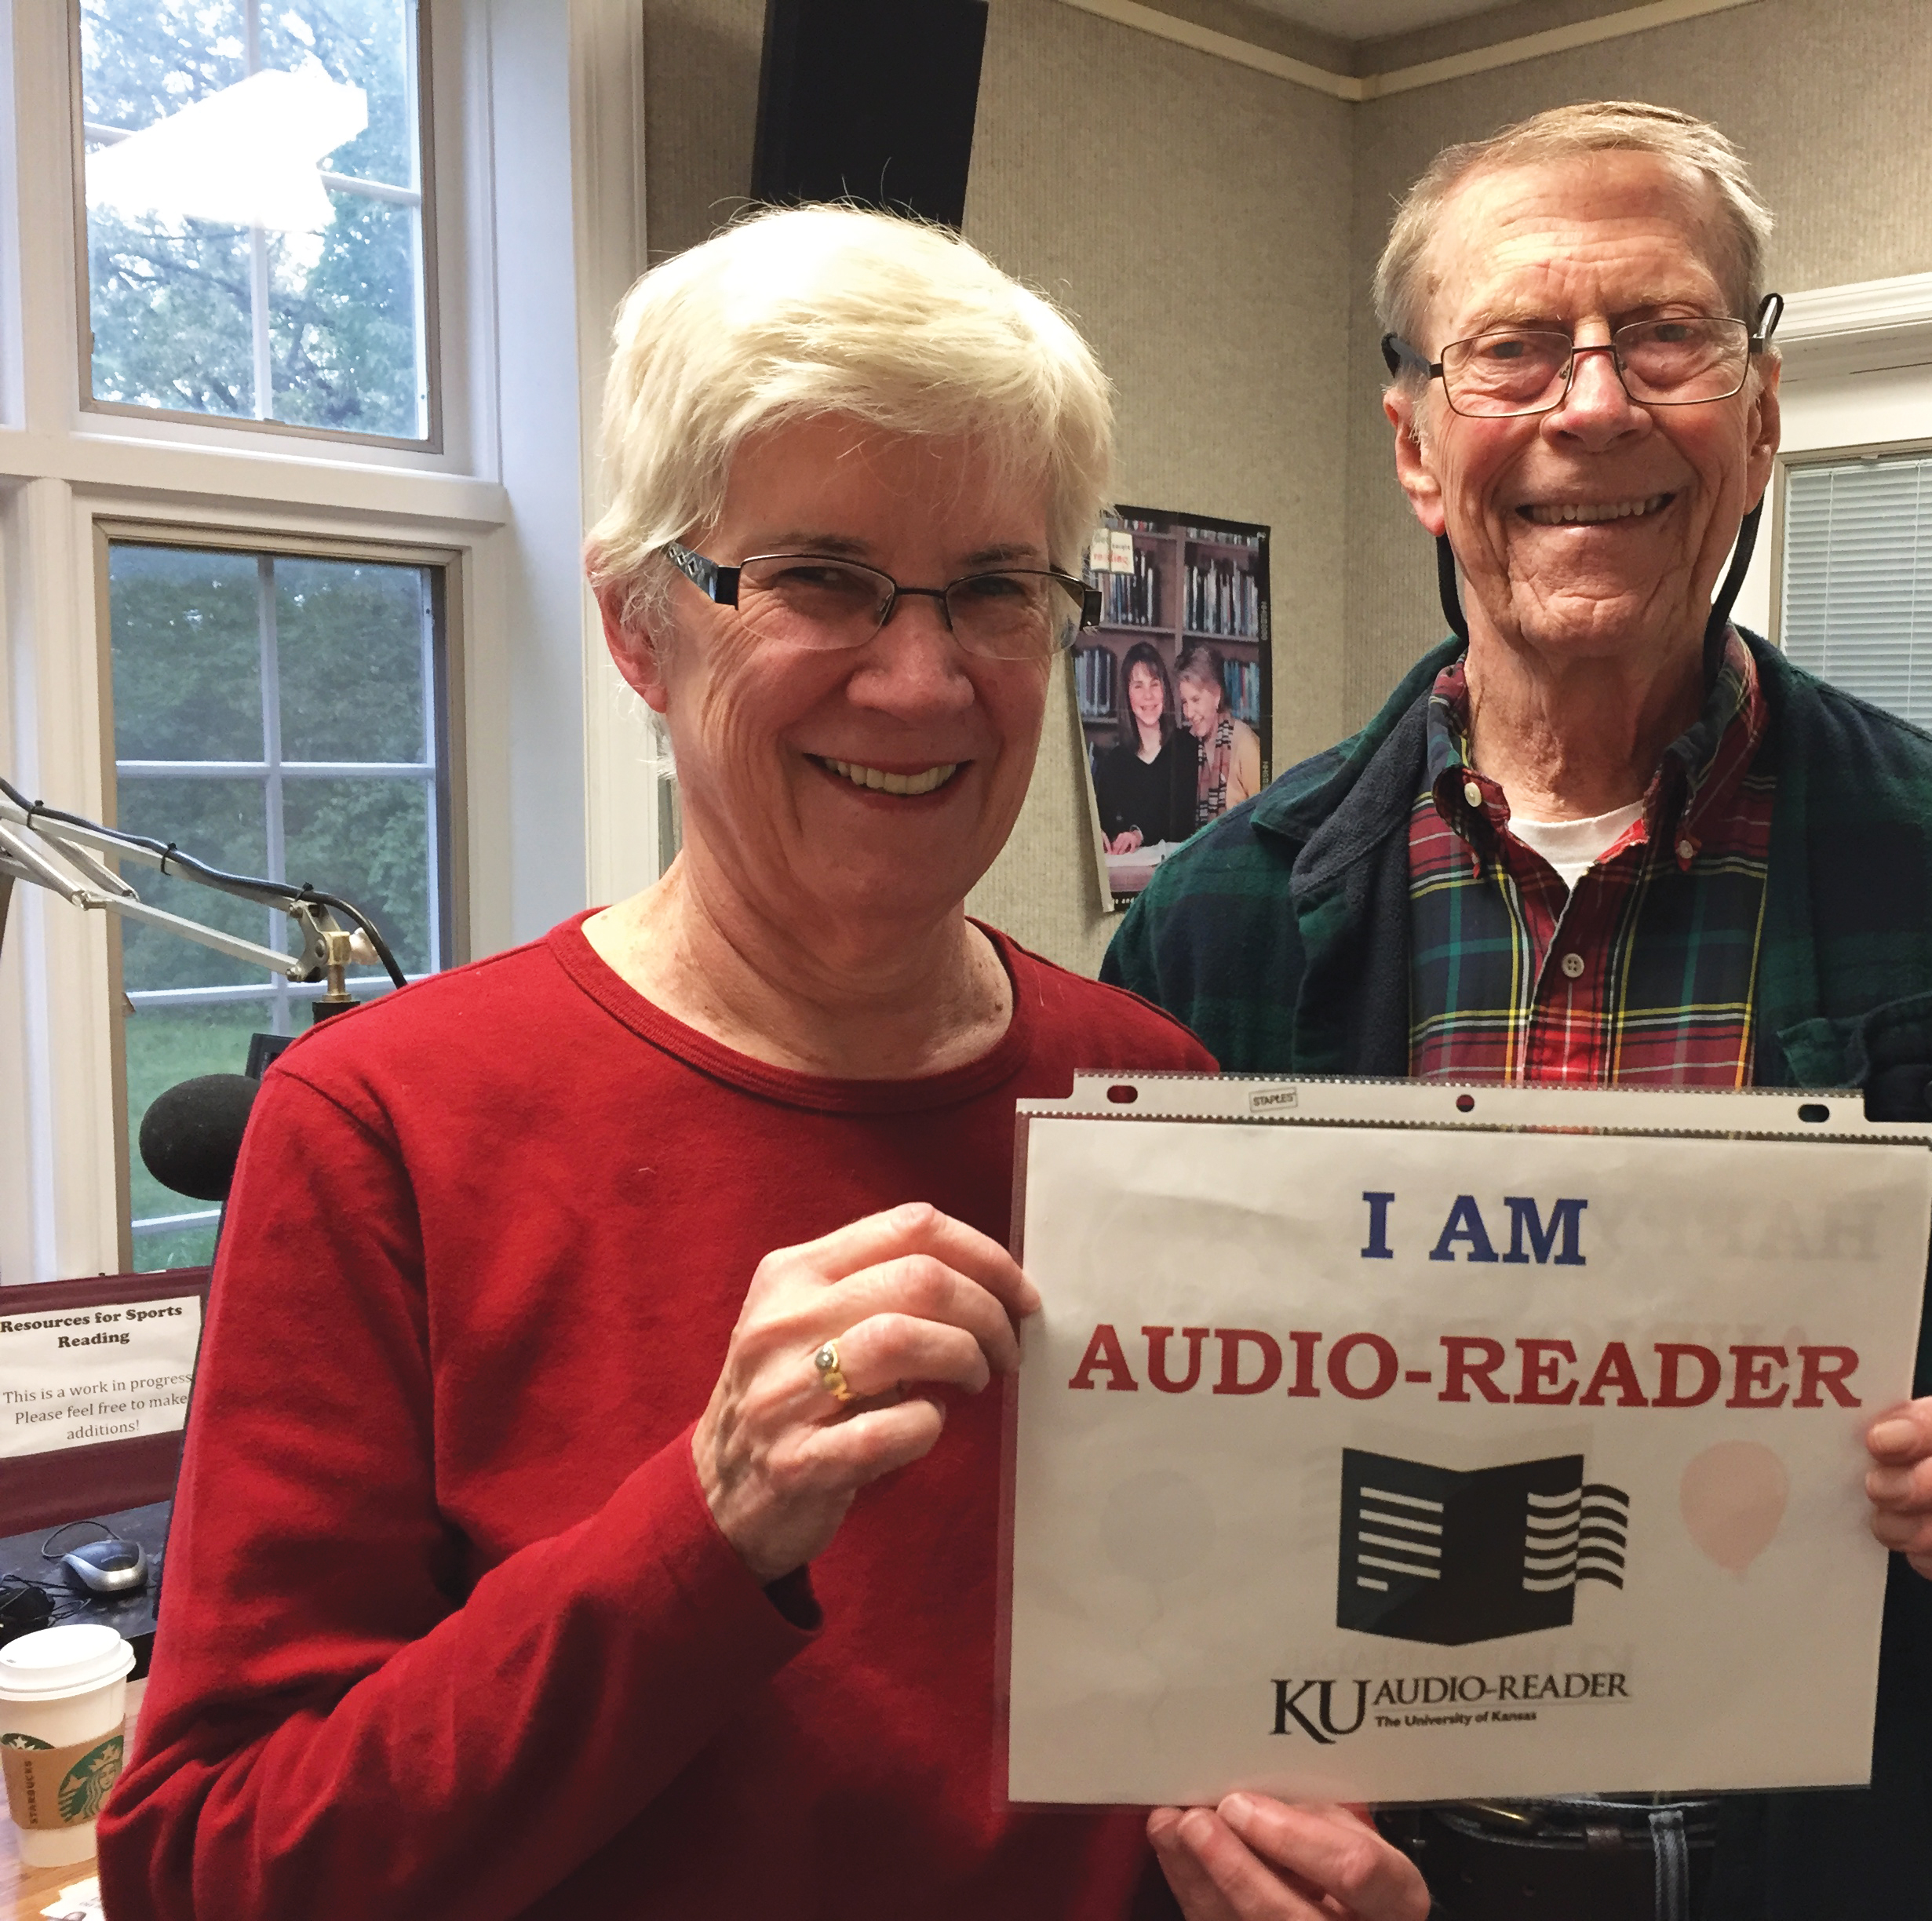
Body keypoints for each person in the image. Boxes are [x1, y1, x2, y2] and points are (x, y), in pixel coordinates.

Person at [99, 206, 1425, 1921]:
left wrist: (1283, 1856)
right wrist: (703, 1534)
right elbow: (213, 1868)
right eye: (821, 579)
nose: (922, 676)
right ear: (641, 627)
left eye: (998, 592)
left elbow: (1195, 1728)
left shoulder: (1144, 1087)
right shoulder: (384, 1129)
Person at [1103, 102, 1932, 1920]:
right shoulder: (1217, 927)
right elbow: (1126, 1499)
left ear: (1758, 416)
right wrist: (1182, 1762)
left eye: (1663, 335)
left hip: (1867, 1870)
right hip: (1377, 1886)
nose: (1592, 404)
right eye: (1511, 347)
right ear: (1415, 444)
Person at [1093, 640, 1198, 852]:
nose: (1148, 696)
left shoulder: (1188, 749)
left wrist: (1139, 834)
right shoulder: (1113, 764)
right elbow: (1103, 823)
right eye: (1138, 686)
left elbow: (1184, 822)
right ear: (1127, 695)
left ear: (1165, 691)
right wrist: (1100, 834)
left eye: (1154, 684)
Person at [1174, 643, 1263, 826]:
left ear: (1216, 695)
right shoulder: (1186, 744)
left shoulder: (1246, 745)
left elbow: (1264, 818)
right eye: (1184, 702)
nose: (1188, 713)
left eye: (1196, 700)